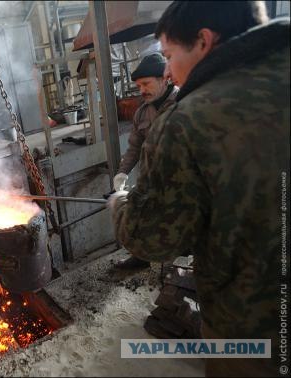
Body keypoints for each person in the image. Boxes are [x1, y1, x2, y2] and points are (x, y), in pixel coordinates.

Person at [108, 1, 288, 376]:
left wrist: (122, 206)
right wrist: (125, 175)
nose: (170, 71)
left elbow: (152, 238)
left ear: (204, 41)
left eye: (170, 55)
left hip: (255, 327)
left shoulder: (188, 118)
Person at [113, 53, 179, 269]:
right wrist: (122, 173)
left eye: (146, 83)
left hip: (179, 181)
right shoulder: (142, 113)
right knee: (143, 216)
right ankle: (141, 257)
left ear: (164, 79)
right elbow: (134, 147)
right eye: (139, 85)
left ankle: (177, 271)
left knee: (177, 226)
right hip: (149, 179)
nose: (142, 90)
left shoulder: (183, 104)